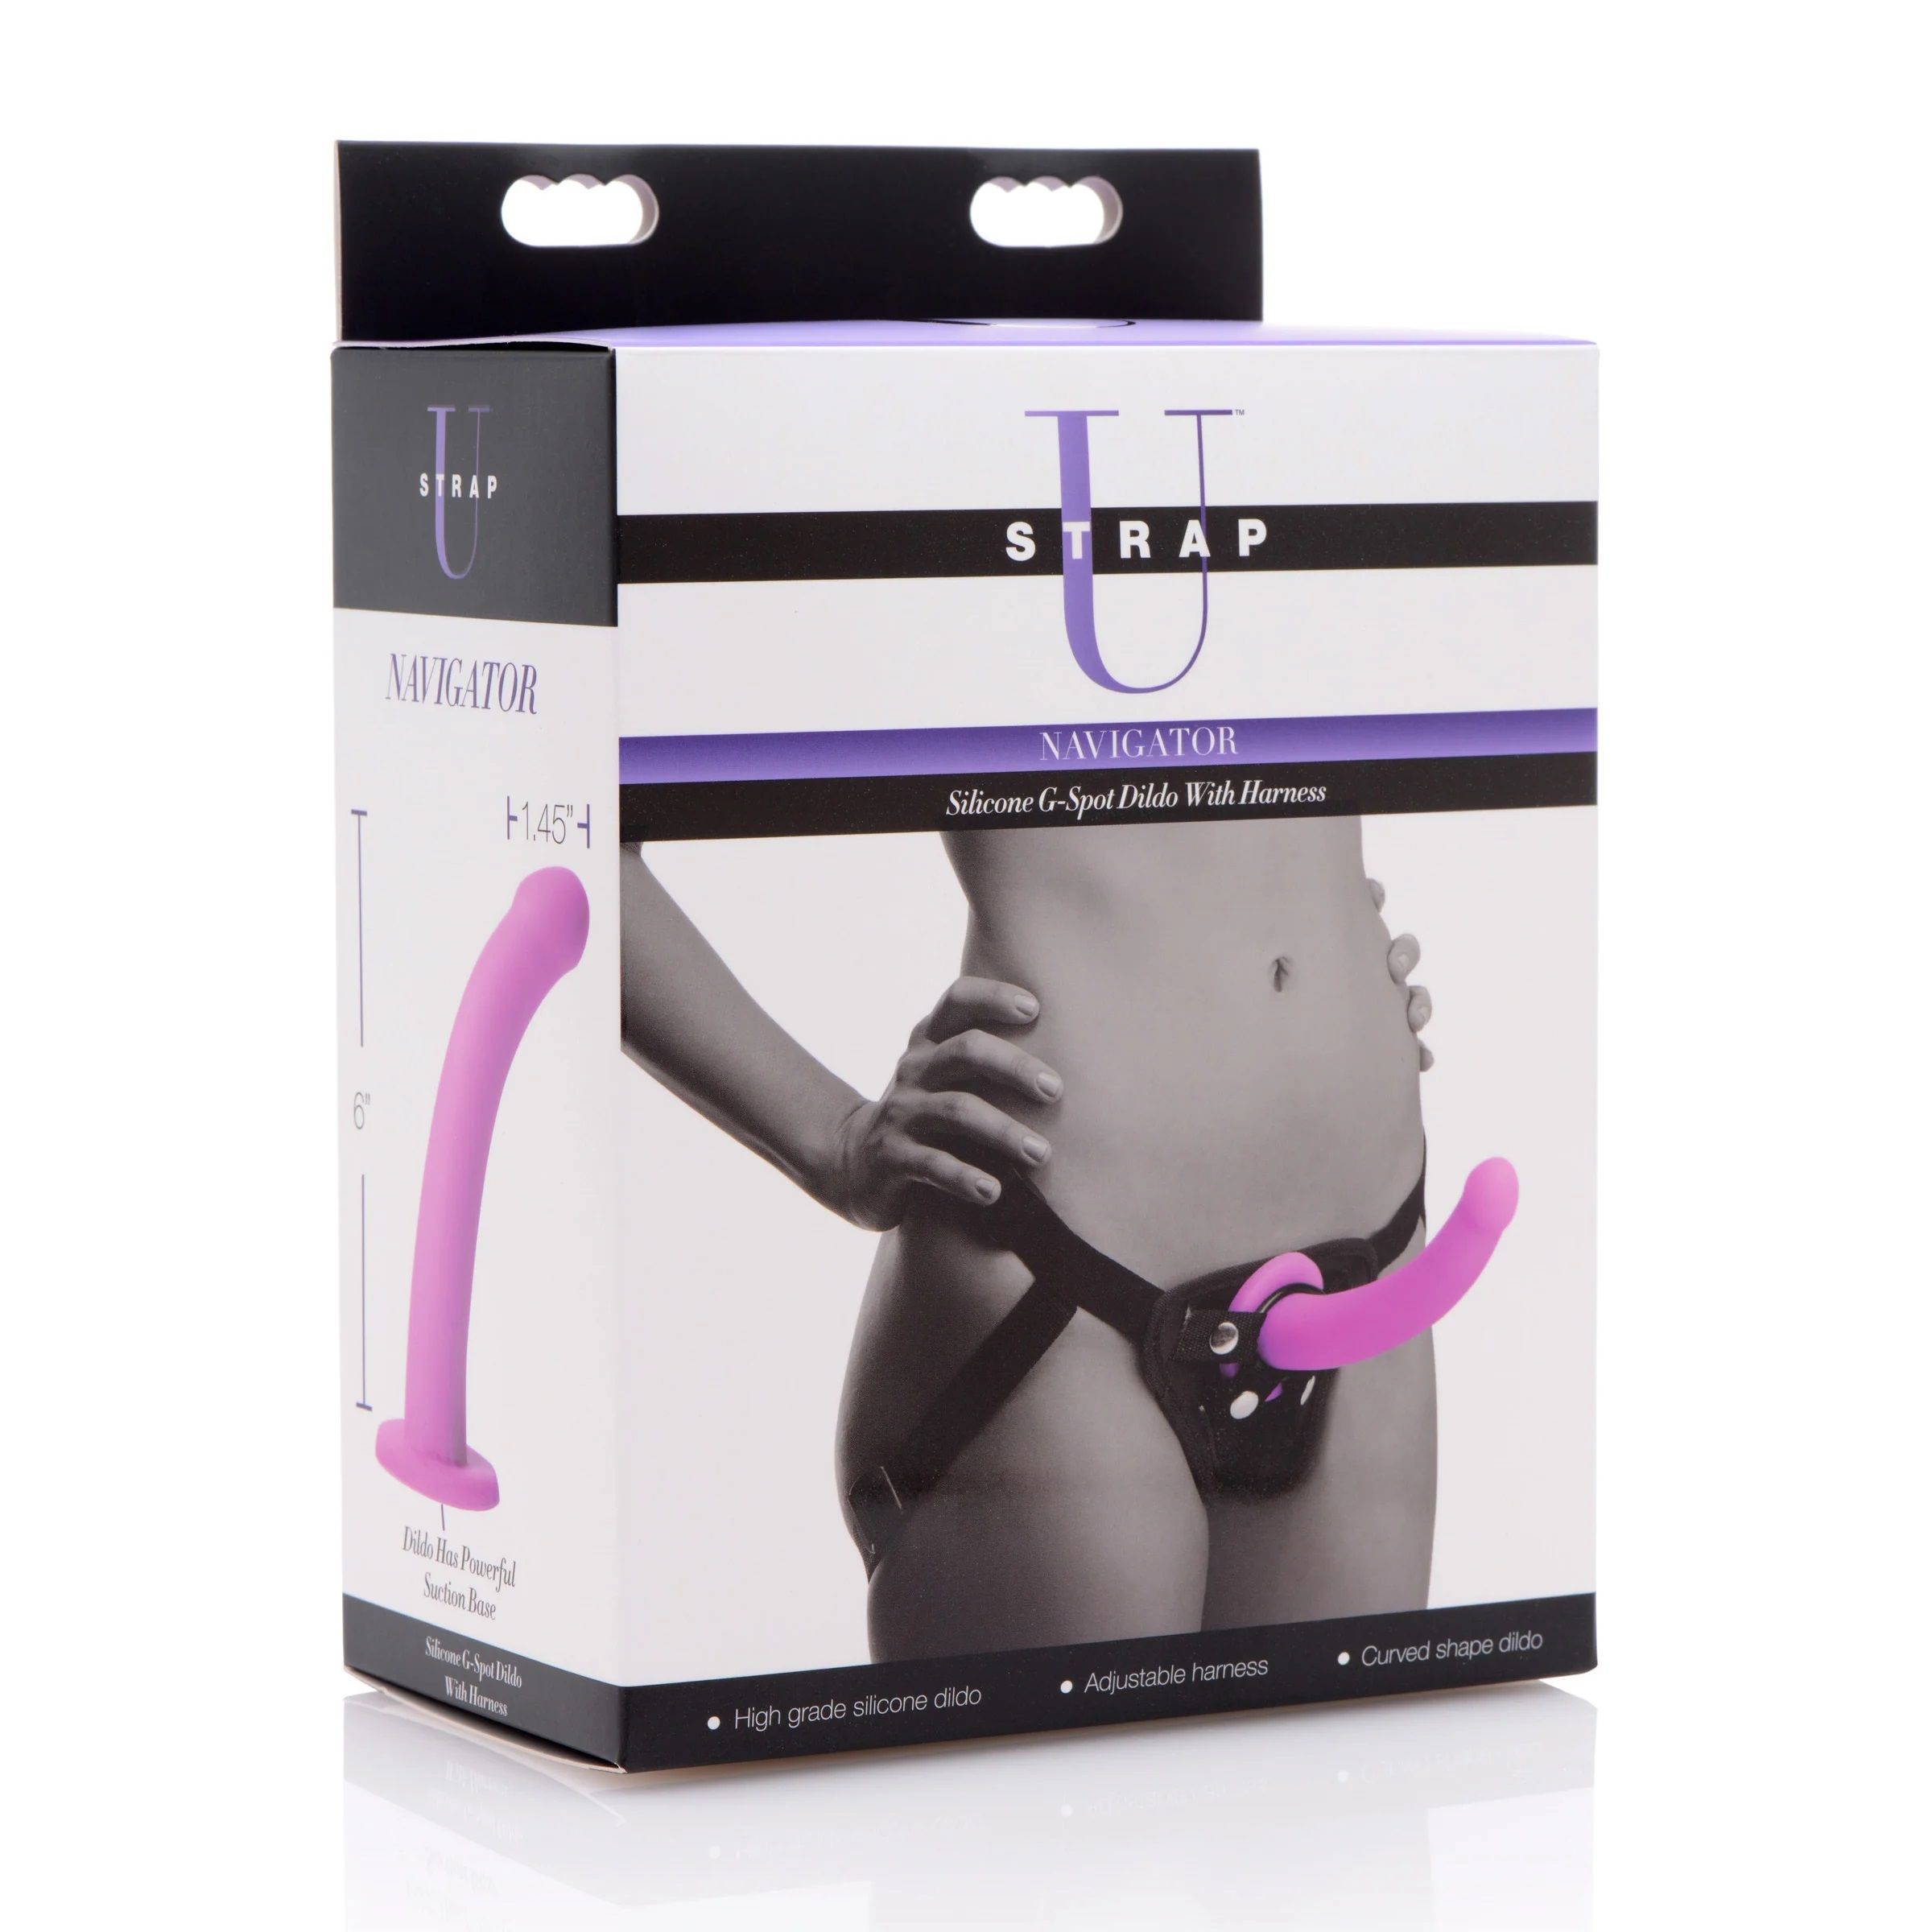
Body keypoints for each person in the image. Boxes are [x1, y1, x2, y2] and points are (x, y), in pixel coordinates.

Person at [621, 814, 1435, 1660]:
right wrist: (831, 1140)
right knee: (1068, 1753)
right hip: (1062, 1275)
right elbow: (567, 829)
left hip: (1369, 1250)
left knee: (1331, 1749)